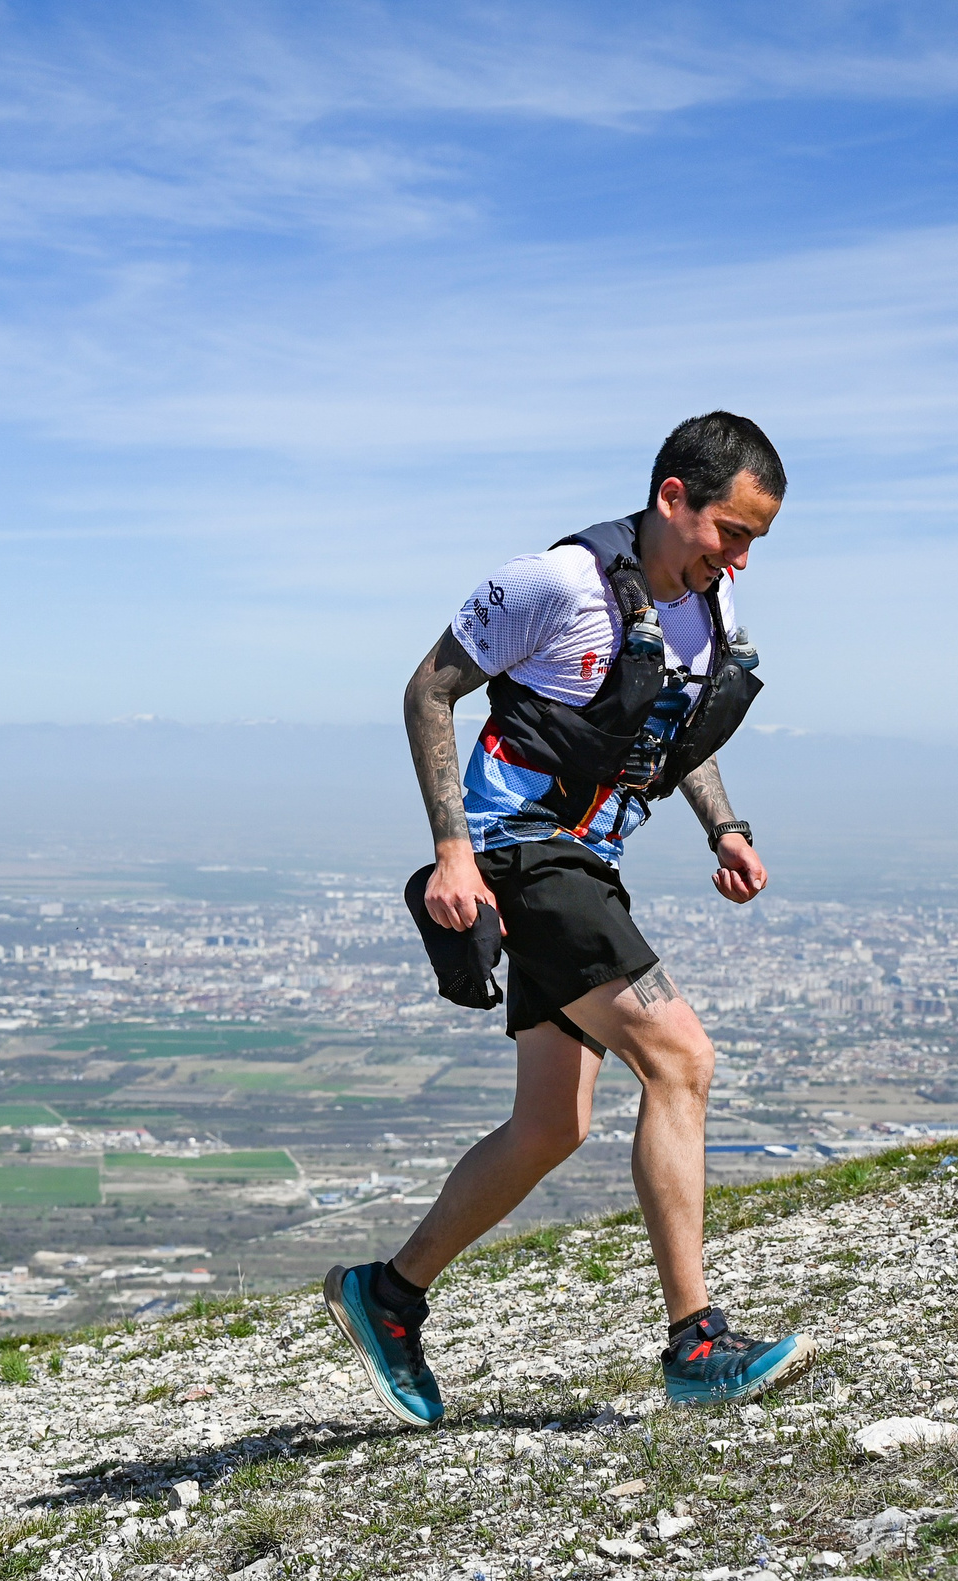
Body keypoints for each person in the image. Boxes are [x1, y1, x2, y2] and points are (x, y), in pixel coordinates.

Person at [326, 412, 817, 1425]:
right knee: (680, 1057)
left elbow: (674, 724)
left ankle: (389, 1292)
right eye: (729, 530)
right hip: (523, 851)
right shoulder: (559, 581)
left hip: (587, 858)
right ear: (671, 496)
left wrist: (723, 826)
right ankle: (695, 1340)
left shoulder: (701, 603)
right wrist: (454, 850)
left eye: (755, 540)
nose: (738, 556)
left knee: (552, 1123)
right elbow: (429, 691)